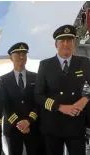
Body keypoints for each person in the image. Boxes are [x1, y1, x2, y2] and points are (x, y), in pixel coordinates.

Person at [35, 24, 90, 155]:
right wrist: (60, 107)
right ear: (56, 44)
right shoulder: (45, 65)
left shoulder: (84, 62)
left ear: (74, 43)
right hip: (53, 124)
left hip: (76, 124)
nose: (66, 44)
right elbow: (38, 95)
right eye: (62, 41)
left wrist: (85, 99)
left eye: (69, 40)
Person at [0, 42, 45, 155]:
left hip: (33, 127)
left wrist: (28, 121)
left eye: (24, 54)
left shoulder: (36, 77)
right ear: (11, 57)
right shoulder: (4, 80)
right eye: (18, 54)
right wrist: (19, 124)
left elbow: (38, 101)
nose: (21, 57)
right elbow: (5, 105)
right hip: (13, 128)